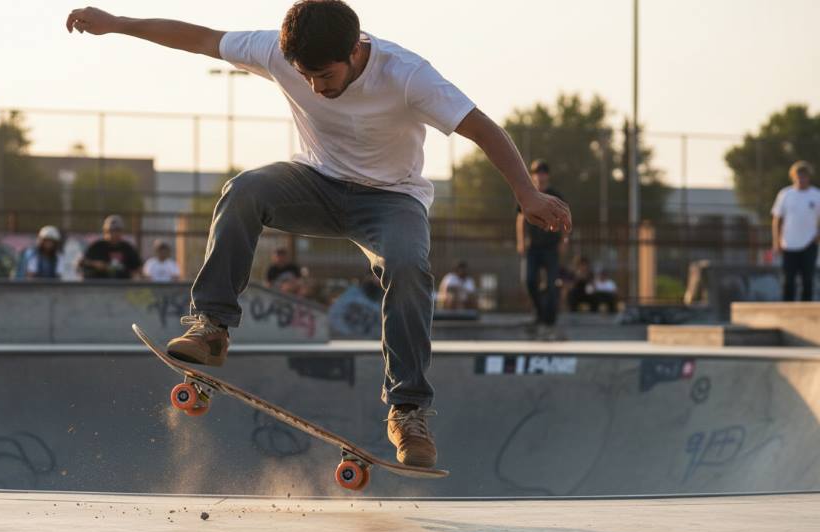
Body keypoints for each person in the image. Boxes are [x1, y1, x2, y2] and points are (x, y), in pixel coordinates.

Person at [66, 1, 571, 468]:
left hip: (392, 199)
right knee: (243, 191)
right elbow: (198, 37)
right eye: (304, 76)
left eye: (325, 76)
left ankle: (408, 412)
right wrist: (118, 24)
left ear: (355, 52)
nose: (314, 87)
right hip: (315, 183)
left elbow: (481, 127)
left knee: (408, 266)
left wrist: (525, 192)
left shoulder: (408, 74)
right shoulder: (277, 50)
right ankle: (211, 327)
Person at [517, 159, 567, 339]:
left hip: (551, 247)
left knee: (552, 284)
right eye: (537, 172)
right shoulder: (527, 194)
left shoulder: (555, 195)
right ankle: (540, 314)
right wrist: (521, 241)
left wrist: (563, 240)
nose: (540, 176)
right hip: (533, 247)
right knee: (530, 280)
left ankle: (549, 320)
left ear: (548, 175)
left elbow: (564, 218)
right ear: (533, 175)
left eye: (543, 172)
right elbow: (521, 218)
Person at [772, 161, 820, 302]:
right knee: (788, 280)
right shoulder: (786, 194)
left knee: (807, 280)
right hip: (788, 244)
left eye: (804, 177)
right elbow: (777, 219)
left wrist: (817, 235)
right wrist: (776, 242)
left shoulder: (816, 195)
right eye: (798, 177)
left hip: (809, 243)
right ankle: (787, 311)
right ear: (793, 177)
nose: (801, 180)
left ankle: (806, 312)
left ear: (808, 177)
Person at [79, 215, 142, 280]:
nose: (114, 234)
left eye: (117, 230)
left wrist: (134, 274)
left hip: (122, 287)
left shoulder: (128, 248)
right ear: (104, 231)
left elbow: (138, 268)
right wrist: (95, 264)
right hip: (98, 287)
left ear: (122, 231)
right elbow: (81, 263)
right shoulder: (96, 247)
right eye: (110, 231)